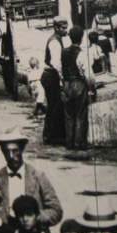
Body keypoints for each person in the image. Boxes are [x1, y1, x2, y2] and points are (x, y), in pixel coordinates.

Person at [0, 128, 63, 228]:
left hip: (35, 232)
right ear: (2, 152)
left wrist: (34, 218)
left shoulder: (38, 176)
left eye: (15, 150)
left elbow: (56, 211)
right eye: (7, 152)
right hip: (7, 231)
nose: (11, 156)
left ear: (22, 149)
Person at [61, 25, 95, 151]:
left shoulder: (63, 52)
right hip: (78, 85)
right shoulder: (82, 54)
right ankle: (79, 143)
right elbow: (89, 75)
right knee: (80, 115)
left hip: (66, 84)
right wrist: (92, 88)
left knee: (69, 115)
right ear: (81, 38)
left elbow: (60, 69)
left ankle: (69, 142)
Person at [41, 16, 69, 144]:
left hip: (51, 75)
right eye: (63, 28)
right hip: (51, 75)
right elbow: (57, 63)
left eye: (66, 28)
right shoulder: (55, 42)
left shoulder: (57, 39)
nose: (65, 30)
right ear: (56, 28)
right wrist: (62, 79)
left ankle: (52, 135)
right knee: (54, 106)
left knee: (55, 105)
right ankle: (50, 136)